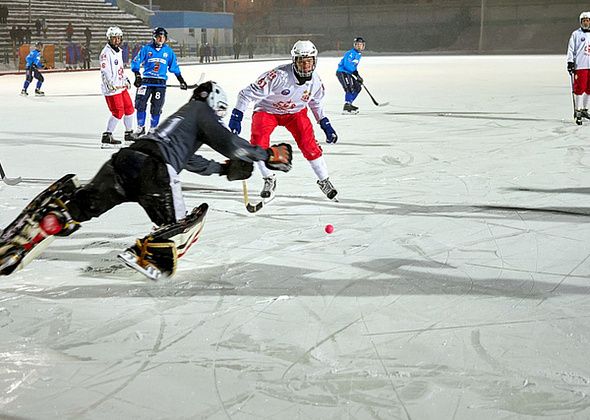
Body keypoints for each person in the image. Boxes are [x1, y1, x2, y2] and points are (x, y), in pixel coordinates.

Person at [0, 81, 293, 277]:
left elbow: (190, 160)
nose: (218, 117)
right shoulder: (203, 112)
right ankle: (152, 252)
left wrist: (222, 170)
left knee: (82, 208)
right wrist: (267, 155)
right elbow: (231, 143)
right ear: (213, 102)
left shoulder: (180, 120)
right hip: (154, 172)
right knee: (176, 228)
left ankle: (49, 222)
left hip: (123, 162)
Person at [228, 40, 339, 201]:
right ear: (294, 61)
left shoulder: (316, 82)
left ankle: (324, 180)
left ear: (315, 61)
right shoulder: (277, 76)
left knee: (309, 145)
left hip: (295, 113)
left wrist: (324, 123)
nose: (306, 66)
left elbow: (316, 103)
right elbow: (245, 94)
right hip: (267, 111)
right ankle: (269, 179)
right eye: (301, 61)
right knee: (258, 143)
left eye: (309, 61)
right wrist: (236, 116)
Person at [131, 27, 188, 137]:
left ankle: (153, 130)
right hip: (146, 81)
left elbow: (174, 67)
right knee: (140, 104)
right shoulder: (146, 49)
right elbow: (136, 62)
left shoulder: (168, 52)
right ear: (154, 37)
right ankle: (140, 128)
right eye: (158, 37)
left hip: (160, 83)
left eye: (163, 37)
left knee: (156, 107)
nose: (161, 39)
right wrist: (137, 76)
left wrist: (181, 80)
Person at [100, 26, 134, 147]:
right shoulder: (106, 53)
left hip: (121, 86)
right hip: (112, 89)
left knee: (129, 108)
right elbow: (105, 71)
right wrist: (110, 83)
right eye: (114, 38)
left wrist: (125, 79)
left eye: (118, 38)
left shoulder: (118, 51)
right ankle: (107, 135)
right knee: (118, 112)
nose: (116, 40)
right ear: (109, 39)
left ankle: (129, 133)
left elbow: (120, 69)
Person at [567, 12, 590, 125]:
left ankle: (585, 109)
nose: (586, 22)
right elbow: (571, 49)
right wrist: (570, 62)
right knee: (579, 88)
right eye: (584, 21)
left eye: (587, 20)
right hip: (581, 65)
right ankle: (578, 110)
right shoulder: (576, 34)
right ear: (581, 22)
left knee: (589, 89)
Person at [336, 36, 365, 114]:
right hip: (342, 72)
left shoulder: (358, 54)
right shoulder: (350, 53)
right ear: (354, 45)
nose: (359, 46)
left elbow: (353, 66)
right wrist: (355, 73)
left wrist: (358, 76)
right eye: (357, 44)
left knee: (358, 87)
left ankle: (349, 104)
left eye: (360, 44)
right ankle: (347, 106)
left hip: (349, 73)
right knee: (349, 87)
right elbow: (347, 65)